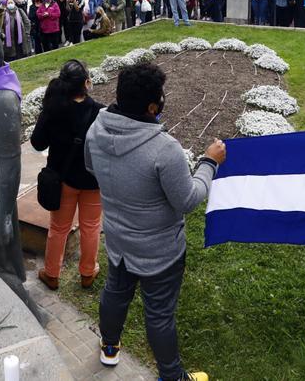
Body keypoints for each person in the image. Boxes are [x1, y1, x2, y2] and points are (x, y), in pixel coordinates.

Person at [86, 62, 225, 381]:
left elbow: (92, 168)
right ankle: (173, 376)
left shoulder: (96, 129)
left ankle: (109, 346)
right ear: (152, 106)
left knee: (115, 293)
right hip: (160, 252)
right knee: (159, 314)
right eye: (160, 96)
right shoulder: (164, 149)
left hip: (118, 242)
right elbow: (188, 199)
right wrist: (209, 162)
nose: (164, 99)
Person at [32, 60, 103, 292]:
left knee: (59, 228)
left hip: (62, 179)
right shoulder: (100, 112)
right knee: (91, 226)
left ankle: (52, 274)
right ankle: (88, 272)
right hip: (93, 180)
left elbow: (37, 142)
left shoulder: (54, 109)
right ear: (86, 83)